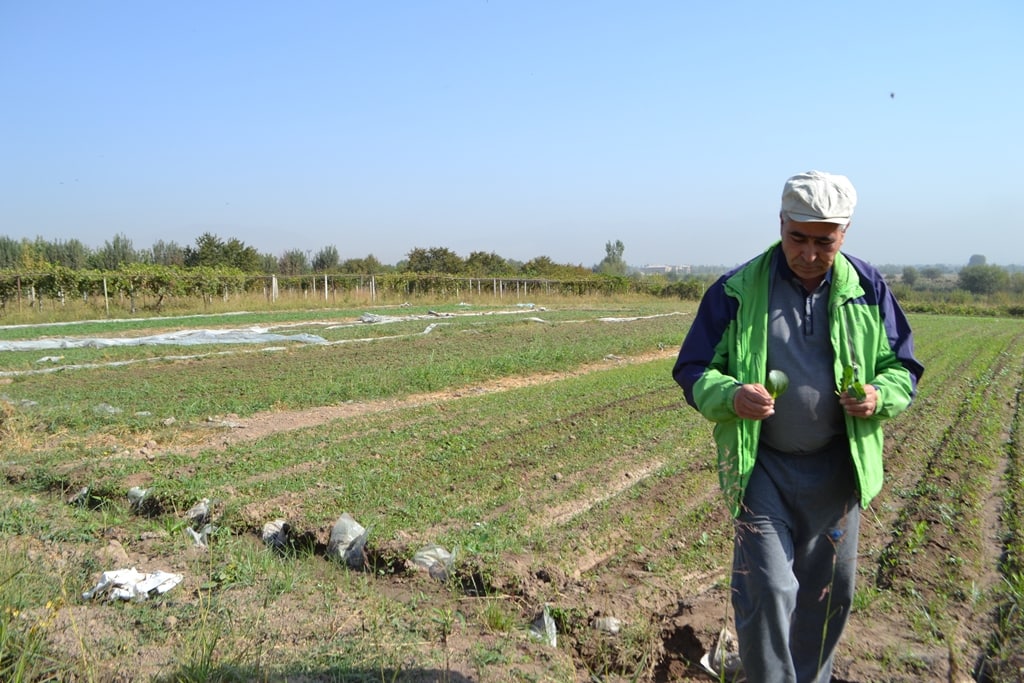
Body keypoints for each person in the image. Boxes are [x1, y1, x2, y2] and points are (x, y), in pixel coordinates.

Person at [672, 170, 924, 683]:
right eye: (798, 238)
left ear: (844, 234)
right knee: (767, 588)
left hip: (835, 471)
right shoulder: (737, 289)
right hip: (762, 468)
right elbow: (693, 367)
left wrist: (879, 395)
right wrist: (730, 395)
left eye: (823, 242)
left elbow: (904, 368)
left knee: (829, 593)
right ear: (781, 223)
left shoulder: (868, 289)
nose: (809, 253)